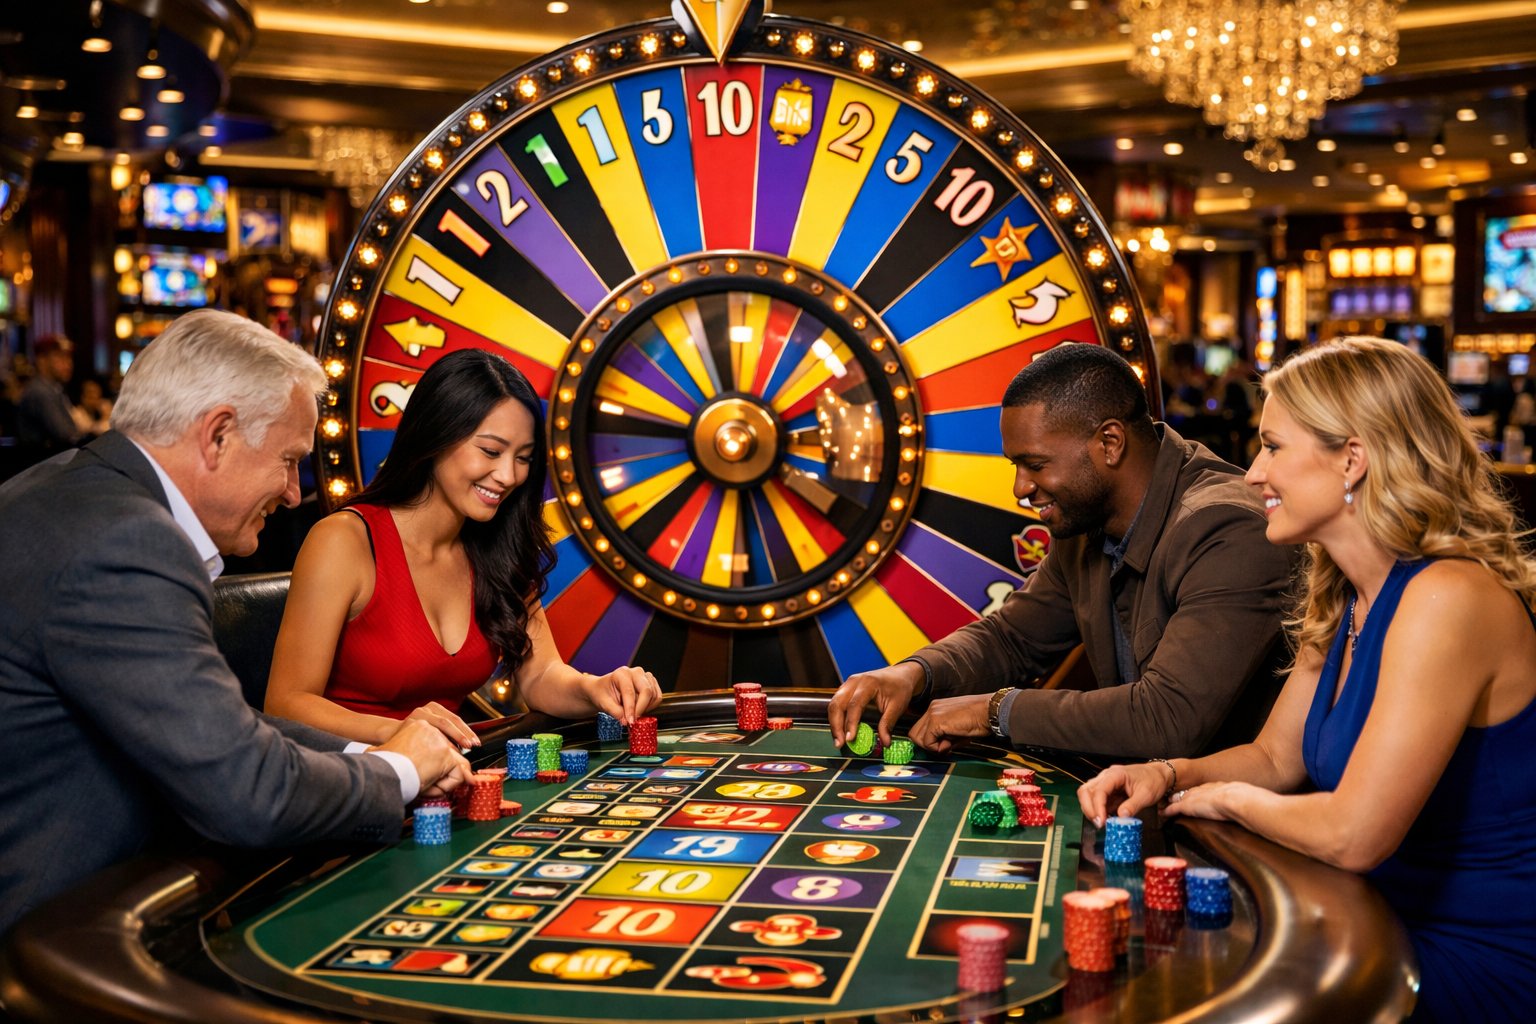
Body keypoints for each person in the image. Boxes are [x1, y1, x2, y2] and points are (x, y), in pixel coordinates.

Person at [1079, 337, 1536, 1023]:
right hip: (1368, 918)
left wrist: (1225, 799)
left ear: (1351, 458)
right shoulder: (1348, 593)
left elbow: (1355, 833)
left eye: (1273, 447)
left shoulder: (1450, 599)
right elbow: (1275, 758)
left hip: (1472, 960)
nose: (1253, 473)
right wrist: (1170, 775)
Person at [0, 309, 471, 937]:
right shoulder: (127, 542)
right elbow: (248, 793)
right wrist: (399, 773)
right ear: (218, 435)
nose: (294, 491)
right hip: (55, 941)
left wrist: (375, 748)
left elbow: (220, 729)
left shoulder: (71, 492)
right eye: (288, 459)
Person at [827, 343, 1294, 759]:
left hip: (1232, 833)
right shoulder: (1088, 523)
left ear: (1109, 443)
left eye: (1035, 465)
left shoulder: (1228, 528)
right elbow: (1013, 639)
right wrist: (914, 674)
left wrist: (995, 711)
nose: (1020, 488)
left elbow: (1167, 718)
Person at [265, 349, 661, 747]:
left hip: (447, 781)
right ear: (436, 436)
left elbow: (541, 676)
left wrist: (597, 688)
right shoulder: (345, 540)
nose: (508, 476)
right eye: (490, 451)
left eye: (523, 458)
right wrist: (400, 732)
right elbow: (286, 704)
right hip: (348, 779)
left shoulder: (497, 546)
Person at [16, 334, 84, 461]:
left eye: (69, 357)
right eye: (60, 357)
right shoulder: (40, 392)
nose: (68, 363)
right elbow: (67, 436)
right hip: (41, 469)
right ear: (41, 360)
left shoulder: (54, 389)